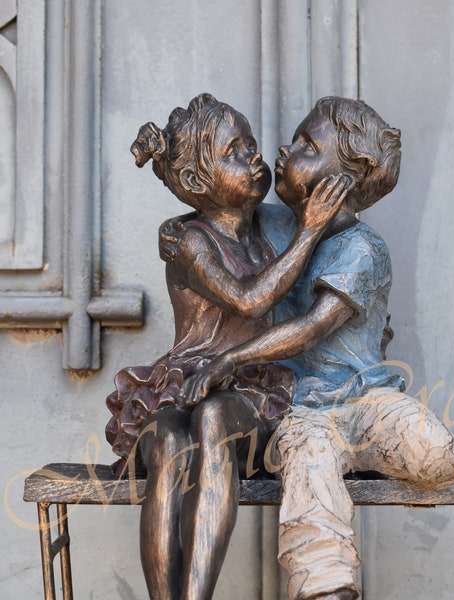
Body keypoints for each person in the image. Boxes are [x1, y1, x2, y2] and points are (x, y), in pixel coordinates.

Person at [185, 97, 454, 600]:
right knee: (308, 464)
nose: (284, 149)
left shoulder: (363, 249)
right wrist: (176, 233)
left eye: (307, 147)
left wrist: (231, 359)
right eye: (297, 139)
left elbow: (312, 328)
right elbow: (211, 216)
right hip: (299, 407)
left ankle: (357, 449)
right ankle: (327, 587)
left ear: (340, 184)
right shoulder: (269, 225)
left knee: (434, 455)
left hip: (365, 399)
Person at [104, 93, 351, 599]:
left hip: (247, 390)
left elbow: (340, 240)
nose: (255, 157)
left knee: (214, 418)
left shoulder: (267, 231)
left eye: (252, 144)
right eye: (236, 151)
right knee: (172, 440)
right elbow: (248, 301)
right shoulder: (191, 241)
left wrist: (312, 225)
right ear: (196, 183)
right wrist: (309, 232)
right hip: (184, 384)